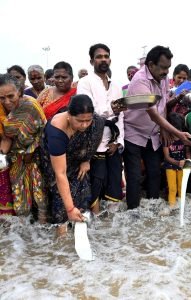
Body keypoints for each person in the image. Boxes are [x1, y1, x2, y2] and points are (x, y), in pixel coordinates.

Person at [123, 45, 191, 209]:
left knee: (154, 172)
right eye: (163, 68)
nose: (166, 72)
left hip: (153, 133)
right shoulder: (140, 80)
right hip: (134, 132)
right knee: (134, 176)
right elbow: (153, 113)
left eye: (168, 68)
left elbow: (162, 106)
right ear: (151, 64)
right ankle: (133, 213)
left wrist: (162, 129)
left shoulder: (162, 78)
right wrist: (178, 133)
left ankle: (153, 214)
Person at [41, 94, 105, 233]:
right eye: (80, 121)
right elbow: (60, 174)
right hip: (55, 164)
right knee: (60, 203)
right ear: (69, 115)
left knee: (83, 190)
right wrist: (69, 209)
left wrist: (86, 159)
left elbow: (95, 139)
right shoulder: (56, 131)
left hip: (78, 160)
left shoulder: (96, 122)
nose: (84, 125)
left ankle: (89, 228)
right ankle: (61, 244)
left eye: (88, 120)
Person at [77, 43, 124, 208]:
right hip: (93, 143)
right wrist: (111, 109)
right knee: (94, 185)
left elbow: (120, 116)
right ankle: (96, 226)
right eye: (99, 57)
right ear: (92, 61)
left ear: (110, 59)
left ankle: (113, 230)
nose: (103, 59)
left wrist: (118, 141)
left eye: (106, 56)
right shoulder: (85, 83)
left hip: (112, 142)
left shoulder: (117, 86)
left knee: (114, 186)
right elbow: (87, 111)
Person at [0, 74, 47, 221]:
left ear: (19, 91)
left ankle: (43, 235)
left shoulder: (30, 105)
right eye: (2, 98)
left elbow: (43, 132)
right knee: (19, 197)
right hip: (15, 159)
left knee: (40, 196)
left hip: (36, 157)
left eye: (10, 96)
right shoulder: (1, 111)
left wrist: (30, 151)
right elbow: (6, 137)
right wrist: (1, 157)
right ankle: (24, 239)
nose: (7, 101)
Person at [163, 112, 191, 209]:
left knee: (181, 187)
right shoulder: (166, 140)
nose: (177, 134)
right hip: (170, 167)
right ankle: (171, 206)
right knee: (172, 188)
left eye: (179, 131)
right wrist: (177, 163)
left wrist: (189, 162)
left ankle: (181, 206)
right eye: (174, 131)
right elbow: (167, 157)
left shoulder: (183, 139)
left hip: (182, 167)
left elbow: (187, 152)